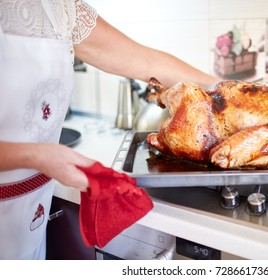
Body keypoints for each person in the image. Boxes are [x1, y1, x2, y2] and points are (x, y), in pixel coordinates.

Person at [0, 0, 220, 260]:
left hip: (31, 216)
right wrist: (38, 156)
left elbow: (147, 61)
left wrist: (224, 89)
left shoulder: (59, 8)